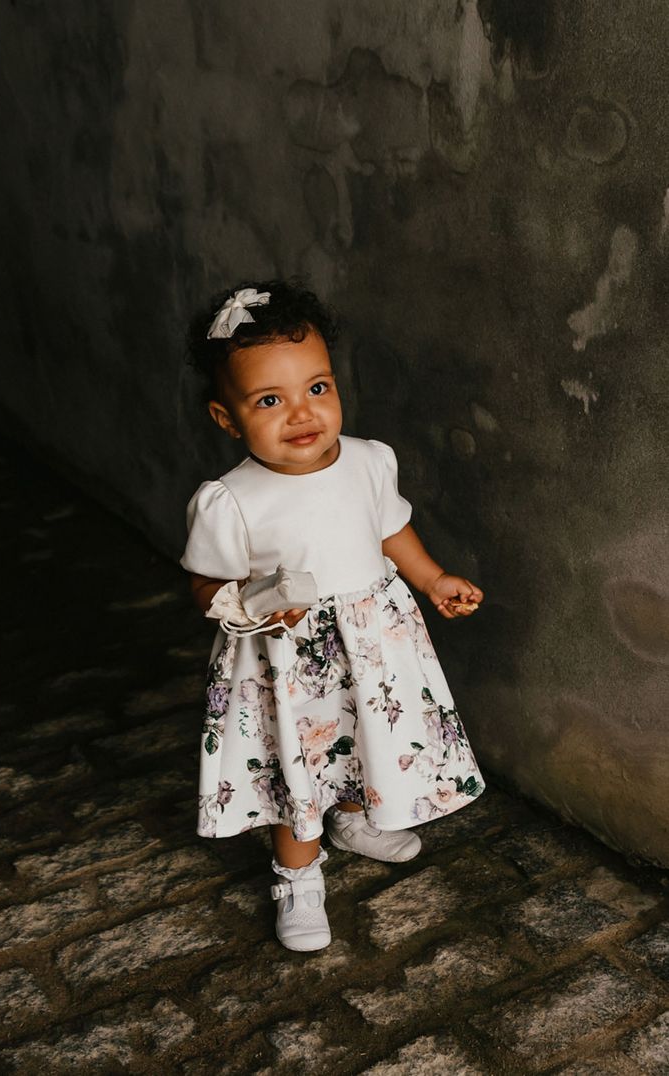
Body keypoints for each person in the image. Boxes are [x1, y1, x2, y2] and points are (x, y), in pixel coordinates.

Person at [181, 279, 485, 952]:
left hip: (372, 643)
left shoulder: (370, 462)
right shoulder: (230, 501)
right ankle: (298, 874)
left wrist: (432, 579)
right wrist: (244, 603)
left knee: (365, 737)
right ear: (228, 419)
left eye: (316, 388)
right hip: (289, 659)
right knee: (301, 763)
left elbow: (388, 530)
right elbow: (207, 581)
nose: (301, 413)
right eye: (269, 400)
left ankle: (354, 818)